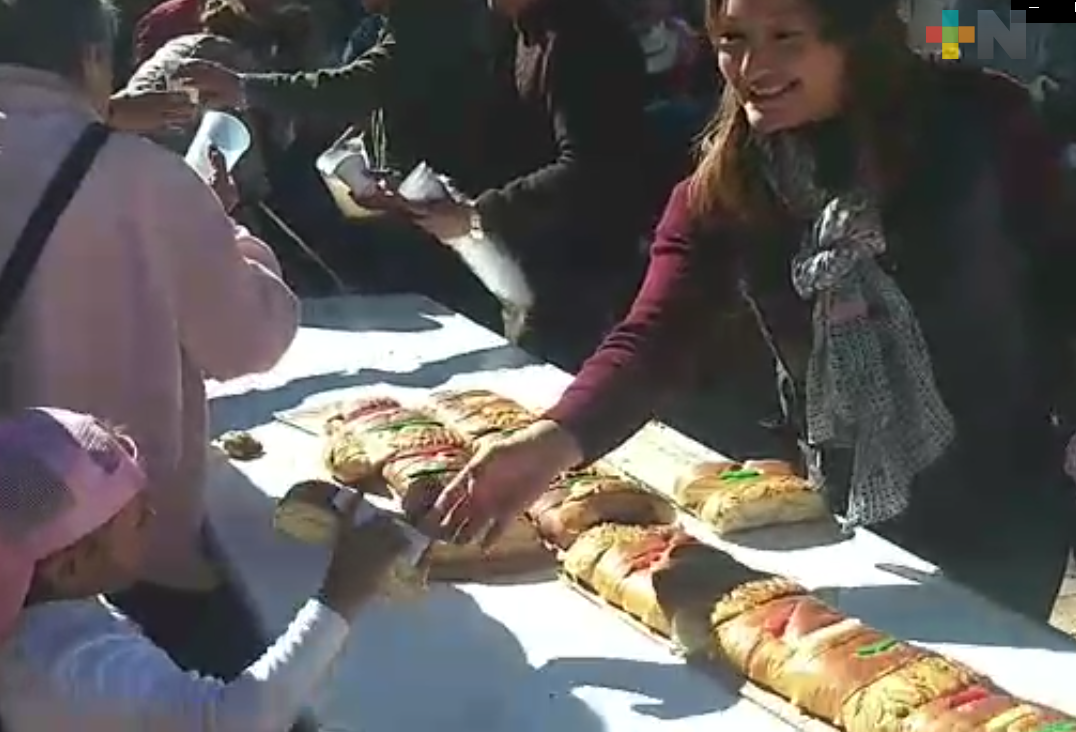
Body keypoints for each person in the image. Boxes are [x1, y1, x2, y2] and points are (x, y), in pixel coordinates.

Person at [418, 0, 1076, 621]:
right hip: (851, 507)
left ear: (853, 37)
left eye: (785, 37)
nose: (752, 66)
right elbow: (654, 336)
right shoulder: (728, 180)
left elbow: (1062, 271)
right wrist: (550, 441)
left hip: (1006, 502)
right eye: (733, 39)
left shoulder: (977, 124)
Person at [0, 0, 300, 679]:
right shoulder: (148, 179)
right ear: (93, 60)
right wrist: (236, 244)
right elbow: (247, 341)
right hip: (116, 553)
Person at [0, 408, 410, 732]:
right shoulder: (75, 667)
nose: (155, 515)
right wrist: (339, 595)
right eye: (139, 519)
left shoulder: (45, 612)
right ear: (70, 565)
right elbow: (239, 720)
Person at [405, 0, 664, 369]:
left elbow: (591, 167)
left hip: (584, 274)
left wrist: (480, 214)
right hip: (531, 264)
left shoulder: (585, 40)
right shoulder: (521, 31)